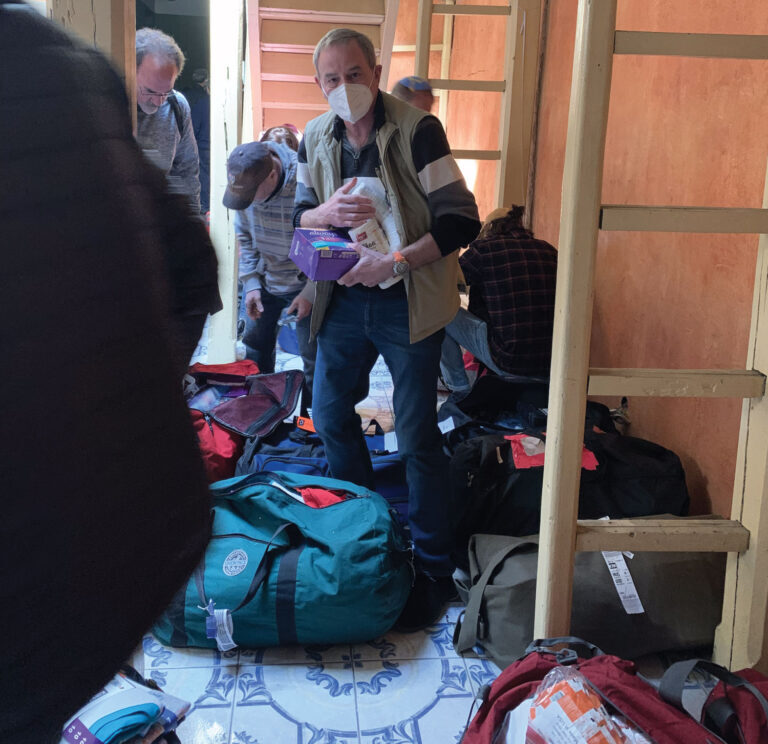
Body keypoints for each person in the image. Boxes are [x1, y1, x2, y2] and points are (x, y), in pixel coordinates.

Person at [0, 2, 217, 743]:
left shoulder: (162, 108)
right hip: (142, 525)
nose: (154, 102)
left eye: (160, 95)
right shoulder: (66, 63)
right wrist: (139, 384)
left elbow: (188, 204)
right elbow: (196, 266)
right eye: (148, 94)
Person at [293, 28, 480, 630]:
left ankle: (431, 564)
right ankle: (362, 535)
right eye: (331, 78)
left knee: (419, 432)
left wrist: (394, 261)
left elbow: (461, 220)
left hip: (407, 300)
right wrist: (325, 214)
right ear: (318, 85)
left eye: (354, 74)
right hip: (344, 300)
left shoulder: (418, 131)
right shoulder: (315, 136)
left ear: (375, 73)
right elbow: (301, 219)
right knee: (328, 414)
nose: (344, 88)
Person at [224, 141, 316, 410]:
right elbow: (245, 238)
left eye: (254, 194)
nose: (248, 200)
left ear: (272, 175)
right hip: (264, 280)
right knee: (255, 348)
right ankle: (260, 414)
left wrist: (311, 291)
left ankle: (309, 425)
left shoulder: (304, 184)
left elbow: (325, 241)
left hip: (304, 283)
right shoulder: (244, 180)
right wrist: (251, 284)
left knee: (314, 358)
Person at [440, 205, 558, 398]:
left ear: (491, 228)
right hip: (550, 365)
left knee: (437, 310)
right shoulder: (550, 251)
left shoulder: (484, 250)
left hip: (509, 361)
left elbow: (443, 283)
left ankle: (459, 389)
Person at [136, 27, 201, 213]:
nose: (158, 101)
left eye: (165, 92)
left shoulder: (177, 106)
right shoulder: (113, 107)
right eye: (150, 91)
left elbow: (188, 172)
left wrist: (192, 225)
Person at [183, 67, 211, 213]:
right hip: (210, 144)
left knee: (200, 174)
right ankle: (208, 205)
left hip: (199, 143)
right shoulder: (209, 100)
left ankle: (201, 205)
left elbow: (194, 125)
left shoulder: (188, 96)